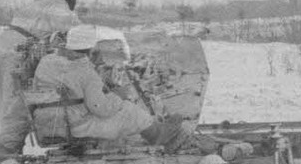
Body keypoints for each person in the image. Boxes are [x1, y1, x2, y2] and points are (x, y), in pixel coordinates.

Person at [30, 24, 191, 148]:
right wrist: (118, 96)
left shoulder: (46, 62)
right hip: (77, 127)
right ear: (91, 47)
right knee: (129, 110)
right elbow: (102, 109)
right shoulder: (85, 71)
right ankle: (157, 135)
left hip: (49, 123)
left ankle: (153, 131)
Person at [0, 0, 81, 164]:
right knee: (18, 109)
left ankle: (6, 161)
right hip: (18, 53)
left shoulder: (36, 2)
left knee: (7, 107)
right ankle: (3, 163)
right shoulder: (58, 7)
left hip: (2, 48)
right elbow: (79, 33)